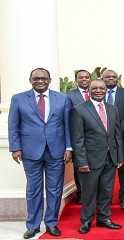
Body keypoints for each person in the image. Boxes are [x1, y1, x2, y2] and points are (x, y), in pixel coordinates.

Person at [8, 68, 72, 239]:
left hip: (56, 150)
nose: (40, 81)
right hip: (30, 151)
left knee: (54, 189)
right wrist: (15, 148)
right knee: (33, 189)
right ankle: (33, 225)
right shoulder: (18, 98)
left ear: (50, 80)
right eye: (36, 78)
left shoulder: (62, 98)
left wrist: (68, 147)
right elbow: (13, 125)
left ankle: (51, 223)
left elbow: (67, 125)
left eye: (44, 78)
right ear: (30, 80)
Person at [70, 79, 123, 234]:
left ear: (106, 90)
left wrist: (119, 156)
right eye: (95, 88)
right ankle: (86, 221)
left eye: (102, 88)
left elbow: (116, 134)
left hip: (110, 158)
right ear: (89, 90)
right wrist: (81, 162)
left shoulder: (112, 109)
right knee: (89, 193)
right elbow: (77, 139)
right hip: (89, 160)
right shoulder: (79, 110)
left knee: (107, 191)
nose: (99, 91)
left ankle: (103, 219)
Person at [102, 69, 124, 209]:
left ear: (118, 79)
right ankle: (106, 198)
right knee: (106, 171)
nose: (110, 79)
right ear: (102, 79)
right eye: (107, 77)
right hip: (103, 140)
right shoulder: (98, 92)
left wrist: (116, 129)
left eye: (113, 77)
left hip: (122, 137)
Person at [67, 69, 92, 204]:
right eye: (81, 77)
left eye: (86, 77)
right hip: (77, 136)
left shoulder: (97, 92)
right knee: (79, 167)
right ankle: (82, 194)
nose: (84, 79)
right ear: (76, 80)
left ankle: (93, 193)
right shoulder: (69, 96)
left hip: (94, 138)